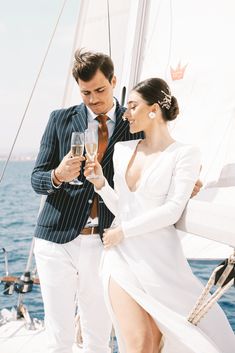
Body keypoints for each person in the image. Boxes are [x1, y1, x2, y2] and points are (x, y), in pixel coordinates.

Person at [31, 49, 202, 353]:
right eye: (85, 93)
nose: (93, 98)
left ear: (113, 81)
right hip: (55, 241)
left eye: (100, 90)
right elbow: (37, 178)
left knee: (98, 338)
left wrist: (186, 182)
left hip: (105, 243)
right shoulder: (59, 120)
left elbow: (158, 158)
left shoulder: (132, 121)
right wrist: (57, 174)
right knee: (58, 338)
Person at [84, 77, 235, 353]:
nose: (126, 114)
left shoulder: (185, 154)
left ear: (154, 109)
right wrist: (101, 185)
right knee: (140, 343)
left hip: (161, 262)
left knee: (167, 343)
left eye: (132, 107)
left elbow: (173, 210)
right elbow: (124, 208)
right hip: (120, 256)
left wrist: (123, 231)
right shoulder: (122, 151)